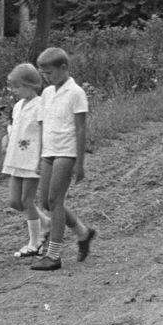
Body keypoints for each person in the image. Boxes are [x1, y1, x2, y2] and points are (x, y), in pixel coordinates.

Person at [31, 47, 97, 270]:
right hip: (48, 152)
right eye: (43, 74)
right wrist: (39, 154)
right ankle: (83, 232)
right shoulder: (47, 94)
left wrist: (79, 162)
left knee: (55, 201)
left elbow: (80, 128)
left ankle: (54, 255)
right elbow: (43, 126)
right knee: (46, 202)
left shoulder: (76, 93)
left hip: (66, 152)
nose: (47, 78)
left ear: (64, 68)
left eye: (50, 73)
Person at [1, 64, 47, 257]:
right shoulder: (18, 106)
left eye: (18, 87)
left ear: (31, 85)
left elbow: (43, 131)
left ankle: (35, 242)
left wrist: (41, 159)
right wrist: (7, 137)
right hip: (16, 157)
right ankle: (46, 222)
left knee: (27, 200)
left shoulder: (40, 104)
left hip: (32, 158)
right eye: (13, 87)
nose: (14, 91)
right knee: (14, 201)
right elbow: (15, 127)